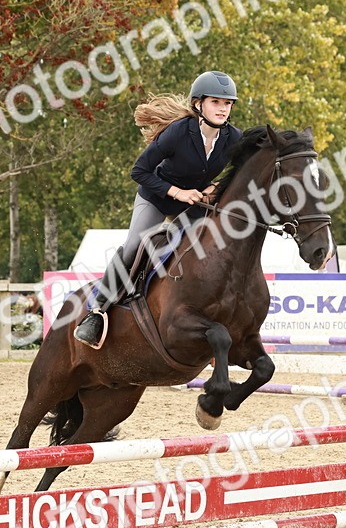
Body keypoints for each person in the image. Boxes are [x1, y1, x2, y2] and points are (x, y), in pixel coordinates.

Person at [73, 70, 243, 348]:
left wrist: (217, 186)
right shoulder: (177, 132)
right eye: (216, 102)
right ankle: (96, 312)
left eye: (227, 103)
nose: (223, 108)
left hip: (194, 203)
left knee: (208, 246)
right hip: (157, 196)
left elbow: (243, 170)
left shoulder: (233, 138)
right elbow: (139, 171)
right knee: (133, 246)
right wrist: (177, 192)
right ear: (198, 104)